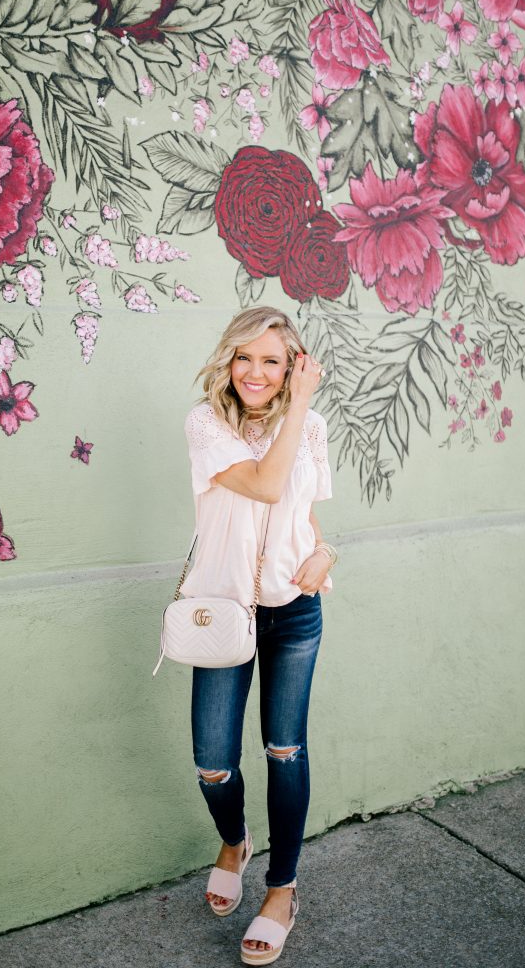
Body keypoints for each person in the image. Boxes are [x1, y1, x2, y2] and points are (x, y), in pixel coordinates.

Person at [181, 306, 337, 965]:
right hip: (222, 611)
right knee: (214, 763)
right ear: (227, 360)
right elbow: (268, 486)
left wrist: (329, 553)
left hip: (293, 612)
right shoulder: (206, 424)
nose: (255, 371)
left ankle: (281, 889)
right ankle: (235, 840)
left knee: (283, 750)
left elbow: (302, 518)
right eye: (244, 356)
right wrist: (300, 400)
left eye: (272, 360)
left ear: (291, 364)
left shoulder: (313, 428)